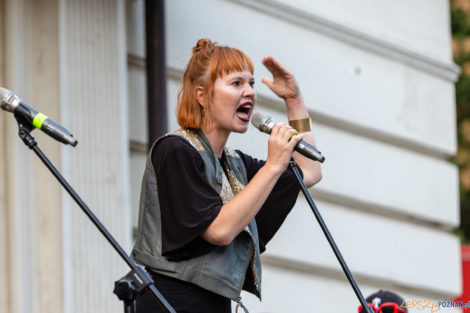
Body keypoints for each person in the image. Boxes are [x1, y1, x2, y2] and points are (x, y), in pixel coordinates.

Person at [132, 38, 322, 313]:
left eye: (252, 84)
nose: (249, 92)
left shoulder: (235, 164)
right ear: (201, 95)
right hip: (170, 301)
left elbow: (309, 172)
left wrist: (294, 101)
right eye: (236, 83)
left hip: (214, 303)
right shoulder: (175, 150)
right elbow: (219, 230)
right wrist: (272, 166)